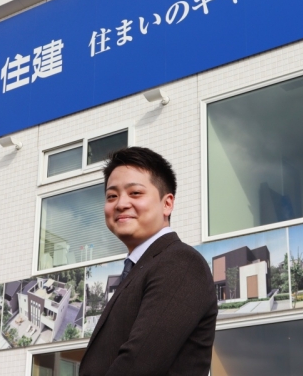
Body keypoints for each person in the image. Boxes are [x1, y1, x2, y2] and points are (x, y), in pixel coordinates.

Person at [79, 146, 218, 376]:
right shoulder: (139, 268)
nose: (121, 204)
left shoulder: (180, 262)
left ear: (167, 204)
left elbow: (138, 363)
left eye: (135, 193)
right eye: (112, 196)